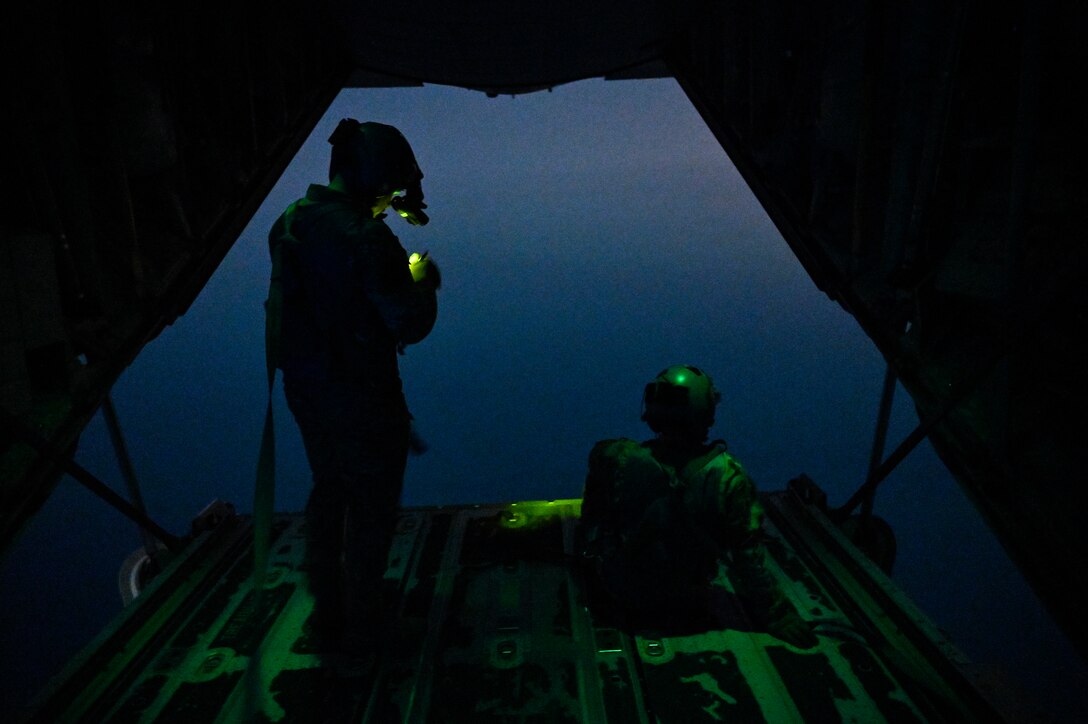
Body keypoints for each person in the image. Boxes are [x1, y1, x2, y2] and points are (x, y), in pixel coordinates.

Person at [268, 119, 440, 654]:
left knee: (329, 493)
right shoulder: (365, 237)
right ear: (372, 175)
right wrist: (422, 281)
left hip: (308, 393)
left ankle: (328, 609)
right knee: (369, 511)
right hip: (362, 398)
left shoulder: (291, 222)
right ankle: (365, 625)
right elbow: (407, 322)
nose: (390, 200)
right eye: (389, 187)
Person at [580, 364, 817, 648]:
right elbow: (747, 558)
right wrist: (778, 616)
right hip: (685, 604)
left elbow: (596, 478)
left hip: (621, 592)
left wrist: (591, 540)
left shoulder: (617, 456)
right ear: (706, 413)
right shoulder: (728, 477)